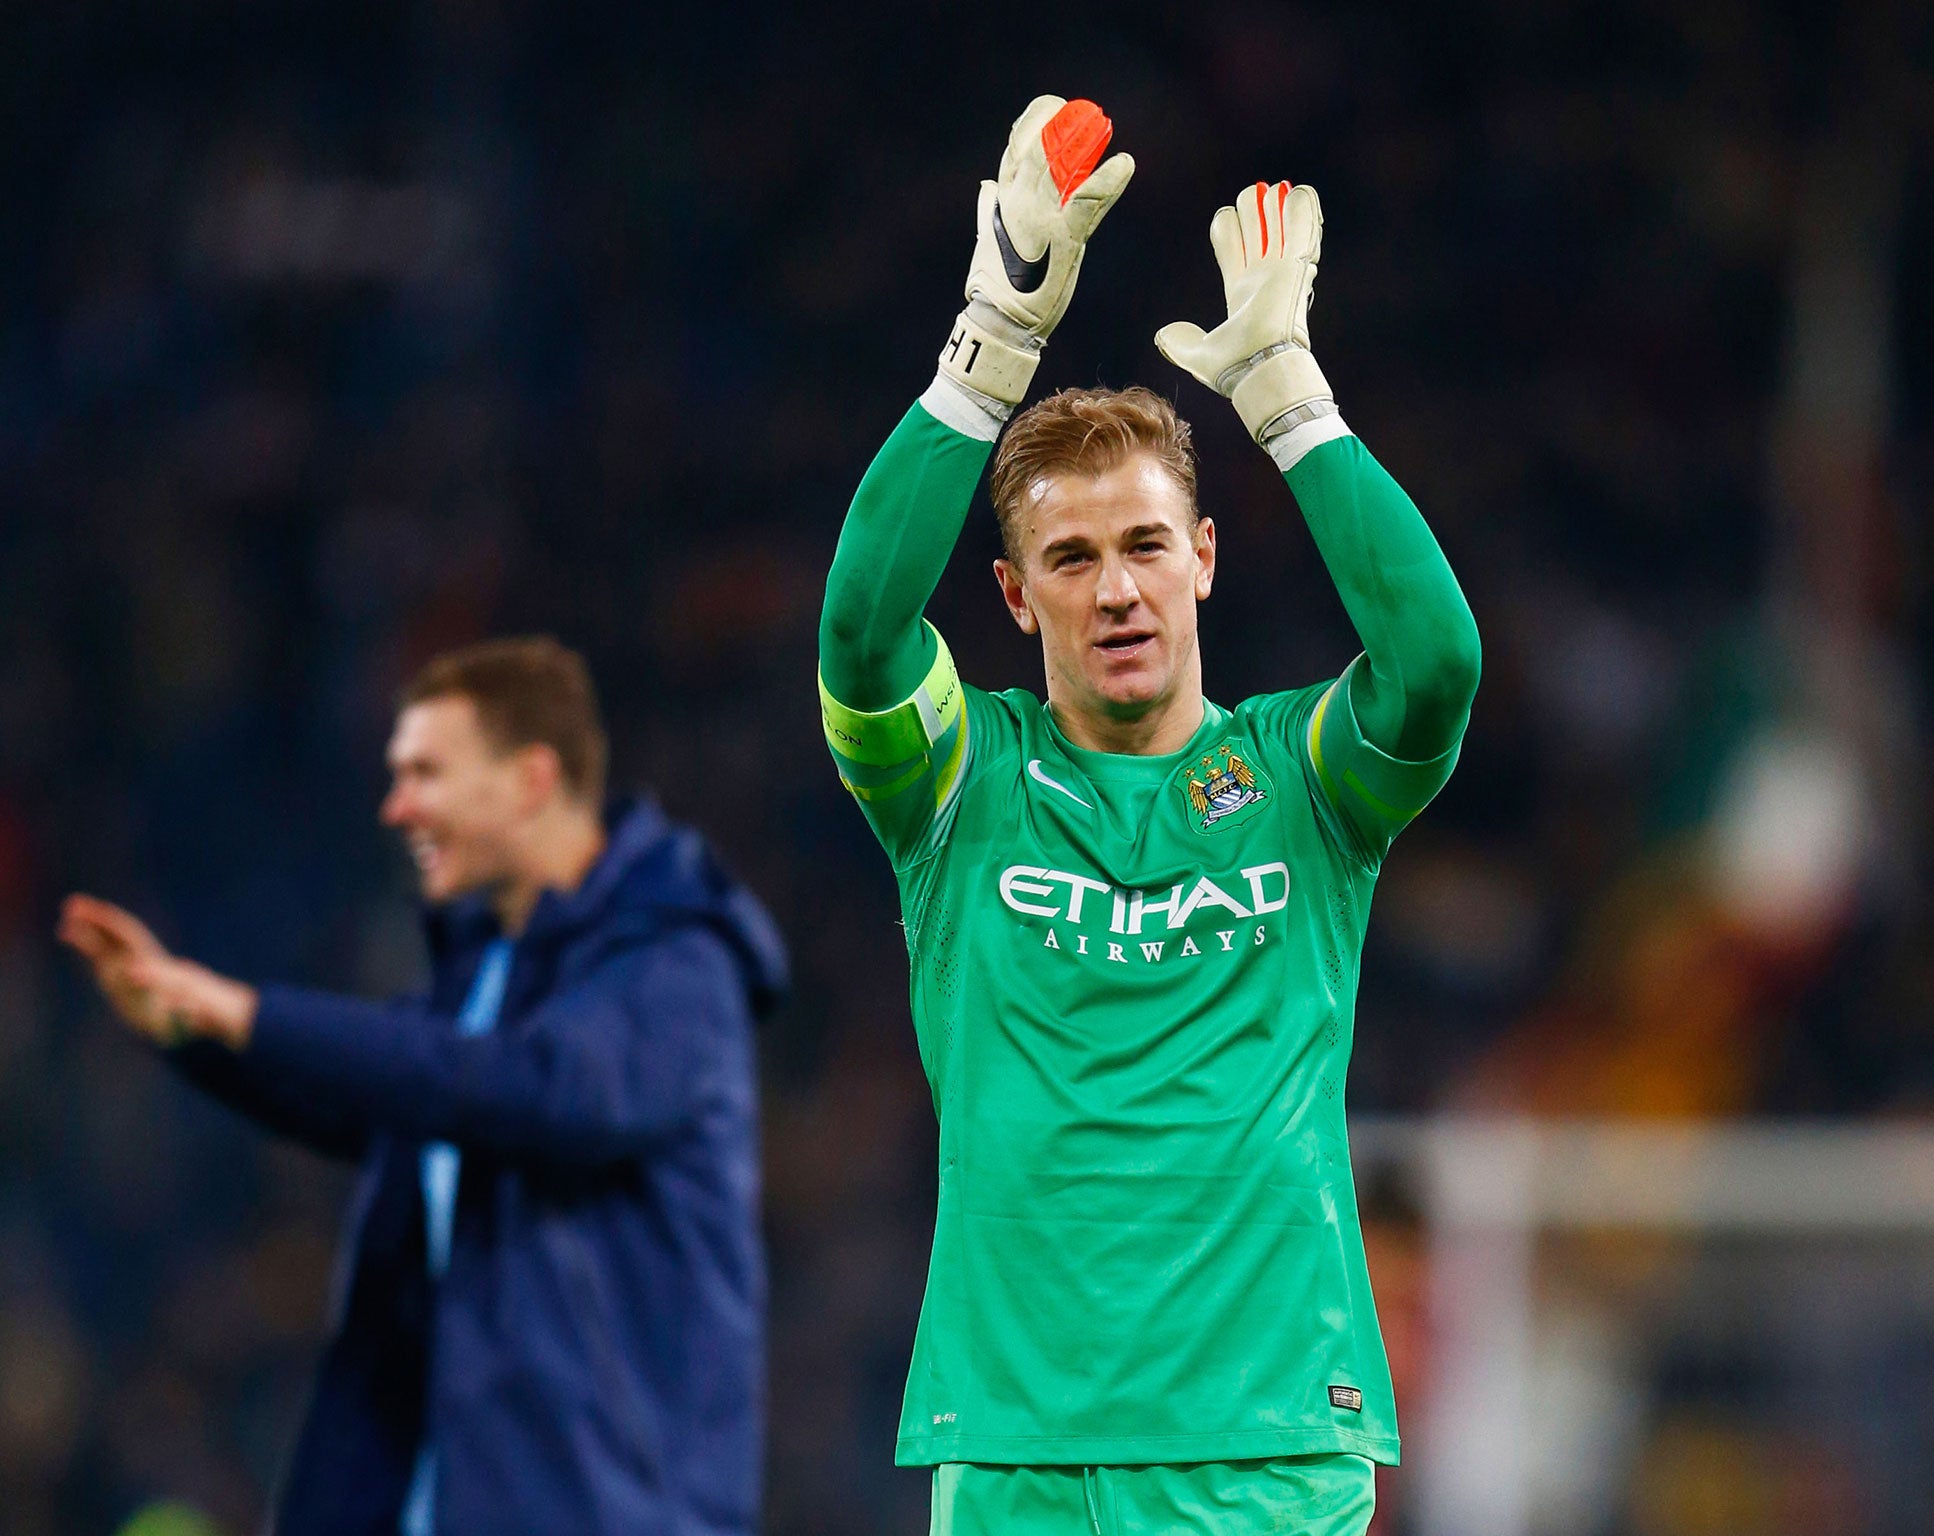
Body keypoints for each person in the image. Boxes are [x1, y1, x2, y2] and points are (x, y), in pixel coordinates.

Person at [817, 97, 1481, 1532]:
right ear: (1013, 596)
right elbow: (862, 641)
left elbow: (1435, 666)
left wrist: (1293, 405)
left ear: (1205, 559)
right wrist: (987, 347)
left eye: (1143, 546)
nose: (1114, 588)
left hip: (1263, 1445)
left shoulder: (1305, 780)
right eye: (1069, 557)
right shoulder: (958, 785)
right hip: (1016, 1449)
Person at [60, 637, 787, 1536]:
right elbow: (378, 1093)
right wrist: (187, 1029)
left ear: (529, 779)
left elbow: (526, 1092)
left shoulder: (677, 967)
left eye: (426, 774)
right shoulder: (489, 973)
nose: (397, 806)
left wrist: (248, 1012)